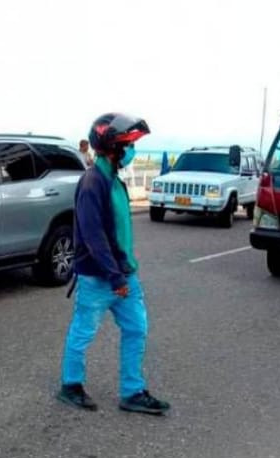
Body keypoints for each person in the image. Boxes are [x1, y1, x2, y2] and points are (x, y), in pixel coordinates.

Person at [56, 113, 170, 415]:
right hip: (100, 278)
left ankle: (132, 392)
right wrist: (115, 277)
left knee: (136, 329)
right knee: (83, 332)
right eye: (129, 144)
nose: (132, 151)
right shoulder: (93, 182)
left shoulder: (112, 179)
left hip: (123, 275)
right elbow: (94, 237)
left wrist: (123, 274)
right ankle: (71, 386)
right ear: (113, 147)